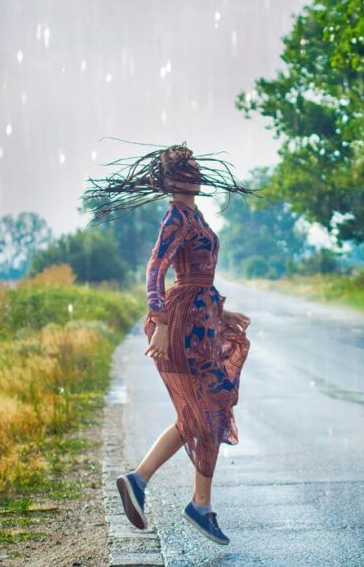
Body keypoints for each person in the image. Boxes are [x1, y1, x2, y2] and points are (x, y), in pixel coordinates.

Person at [81, 141, 257, 545]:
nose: (196, 173)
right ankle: (193, 503)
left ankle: (150, 485)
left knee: (202, 412)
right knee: (205, 410)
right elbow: (155, 270)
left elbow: (196, 278)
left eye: (196, 167)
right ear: (174, 179)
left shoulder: (193, 213)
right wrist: (160, 322)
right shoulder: (176, 216)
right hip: (182, 328)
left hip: (201, 320)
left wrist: (220, 311)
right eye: (188, 169)